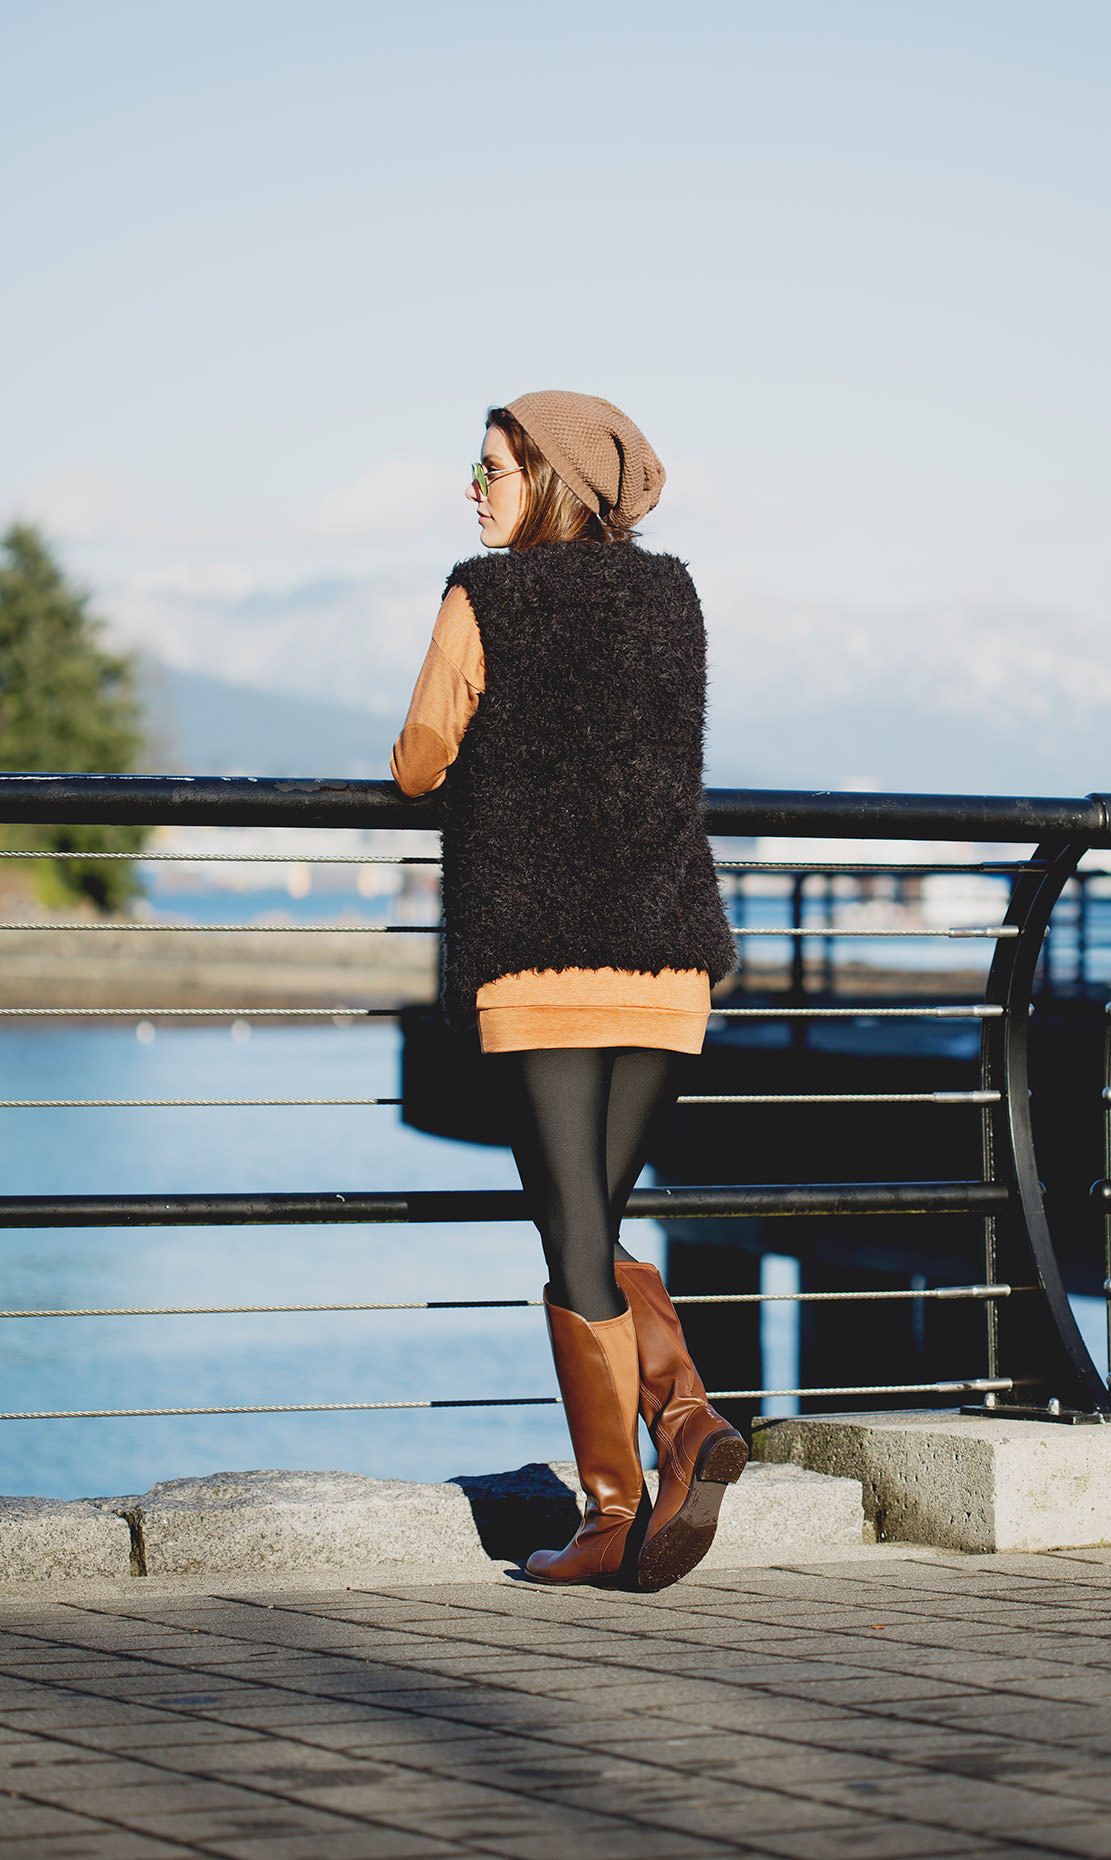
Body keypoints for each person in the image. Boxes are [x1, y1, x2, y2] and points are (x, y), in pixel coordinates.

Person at [390, 390, 745, 1591]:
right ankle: (685, 1420)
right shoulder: (673, 596)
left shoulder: (481, 597)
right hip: (665, 956)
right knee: (592, 1216)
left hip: (539, 957)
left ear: (554, 481)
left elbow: (418, 758)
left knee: (572, 1235)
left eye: (491, 469)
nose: (473, 488)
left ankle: (611, 1514)